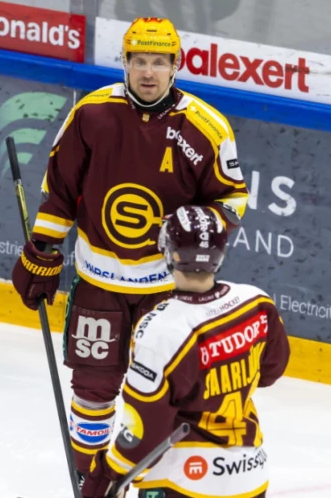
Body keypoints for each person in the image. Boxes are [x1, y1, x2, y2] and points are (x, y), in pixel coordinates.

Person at [11, 17, 251, 480]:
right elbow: (61, 189)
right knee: (93, 390)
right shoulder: (92, 114)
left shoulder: (206, 126)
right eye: (138, 60)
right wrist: (42, 249)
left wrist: (200, 227)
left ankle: (157, 483)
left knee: (167, 393)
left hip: (170, 292)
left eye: (159, 62)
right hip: (99, 282)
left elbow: (232, 199)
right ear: (124, 62)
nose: (148, 72)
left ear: (176, 65)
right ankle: (90, 480)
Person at [81, 205, 290, 498]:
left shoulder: (160, 331)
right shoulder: (257, 303)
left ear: (168, 251)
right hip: (249, 476)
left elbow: (144, 430)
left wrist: (108, 472)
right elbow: (270, 371)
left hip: (183, 481)